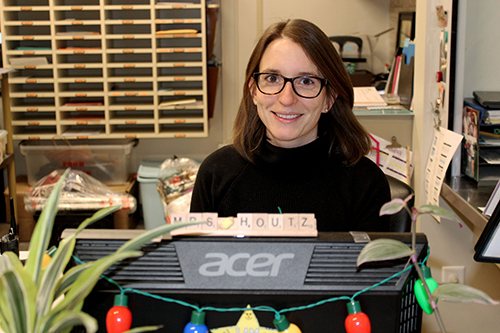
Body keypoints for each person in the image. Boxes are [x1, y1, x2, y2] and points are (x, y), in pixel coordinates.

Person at [190, 19, 391, 232]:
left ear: (329, 98)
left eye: (306, 81)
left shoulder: (366, 185)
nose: (287, 99)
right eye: (272, 78)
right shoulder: (215, 174)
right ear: (254, 91)